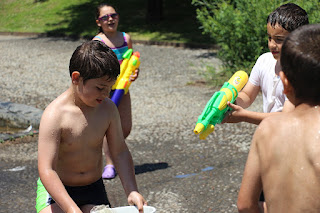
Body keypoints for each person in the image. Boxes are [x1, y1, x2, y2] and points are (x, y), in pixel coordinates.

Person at [35, 41, 147, 213]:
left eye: (109, 88)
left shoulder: (108, 109)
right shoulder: (55, 115)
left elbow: (119, 151)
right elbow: (47, 169)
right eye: (100, 88)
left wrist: (131, 190)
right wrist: (72, 209)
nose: (106, 94)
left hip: (93, 188)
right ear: (76, 78)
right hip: (57, 191)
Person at [237, 23, 320, 213]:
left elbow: (245, 205)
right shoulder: (264, 62)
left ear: (285, 83)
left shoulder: (267, 130)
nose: (272, 44)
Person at [223, 3, 309, 125]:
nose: (271, 45)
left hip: (293, 137)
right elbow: (247, 95)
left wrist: (244, 116)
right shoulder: (264, 61)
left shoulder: (301, 71)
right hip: (270, 133)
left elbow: (286, 117)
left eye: (279, 40)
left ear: (299, 38)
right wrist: (228, 103)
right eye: (269, 38)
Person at [93, 3, 139, 179]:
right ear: (99, 22)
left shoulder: (126, 38)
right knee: (108, 127)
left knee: (125, 127)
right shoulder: (98, 42)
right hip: (105, 90)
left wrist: (135, 73)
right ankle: (110, 164)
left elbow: (132, 61)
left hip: (123, 89)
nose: (110, 19)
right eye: (105, 17)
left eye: (113, 15)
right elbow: (95, 68)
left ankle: (113, 152)